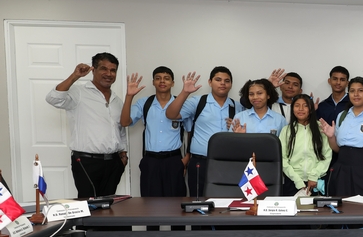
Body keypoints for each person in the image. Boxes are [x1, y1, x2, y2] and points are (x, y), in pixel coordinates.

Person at [46, 53, 127, 198]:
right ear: (93, 70)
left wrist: (123, 154)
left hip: (114, 162)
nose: (109, 74)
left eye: (113, 70)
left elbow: (120, 129)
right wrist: (74, 76)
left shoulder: (117, 100)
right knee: (89, 205)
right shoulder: (79, 92)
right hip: (86, 162)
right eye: (104, 69)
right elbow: (53, 98)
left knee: (109, 203)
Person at [166, 66, 242, 198]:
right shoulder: (198, 102)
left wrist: (236, 129)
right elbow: (171, 114)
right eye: (218, 80)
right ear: (210, 82)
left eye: (227, 81)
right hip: (200, 162)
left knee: (226, 200)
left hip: (228, 163)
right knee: (198, 201)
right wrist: (185, 92)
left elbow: (246, 133)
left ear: (231, 84)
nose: (223, 83)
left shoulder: (237, 106)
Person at [119, 67, 186, 197]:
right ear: (153, 82)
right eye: (158, 78)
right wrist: (129, 96)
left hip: (174, 160)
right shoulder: (145, 103)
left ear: (172, 83)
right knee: (150, 201)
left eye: (166, 78)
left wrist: (185, 161)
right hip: (151, 161)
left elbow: (190, 131)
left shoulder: (181, 104)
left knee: (175, 201)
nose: (162, 81)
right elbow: (124, 122)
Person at [279, 94, 332, 196]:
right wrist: (297, 180)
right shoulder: (286, 130)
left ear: (311, 109)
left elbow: (327, 155)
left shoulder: (321, 128)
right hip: (292, 182)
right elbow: (283, 159)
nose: (301, 109)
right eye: (297, 105)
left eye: (305, 105)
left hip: (316, 182)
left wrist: (314, 176)